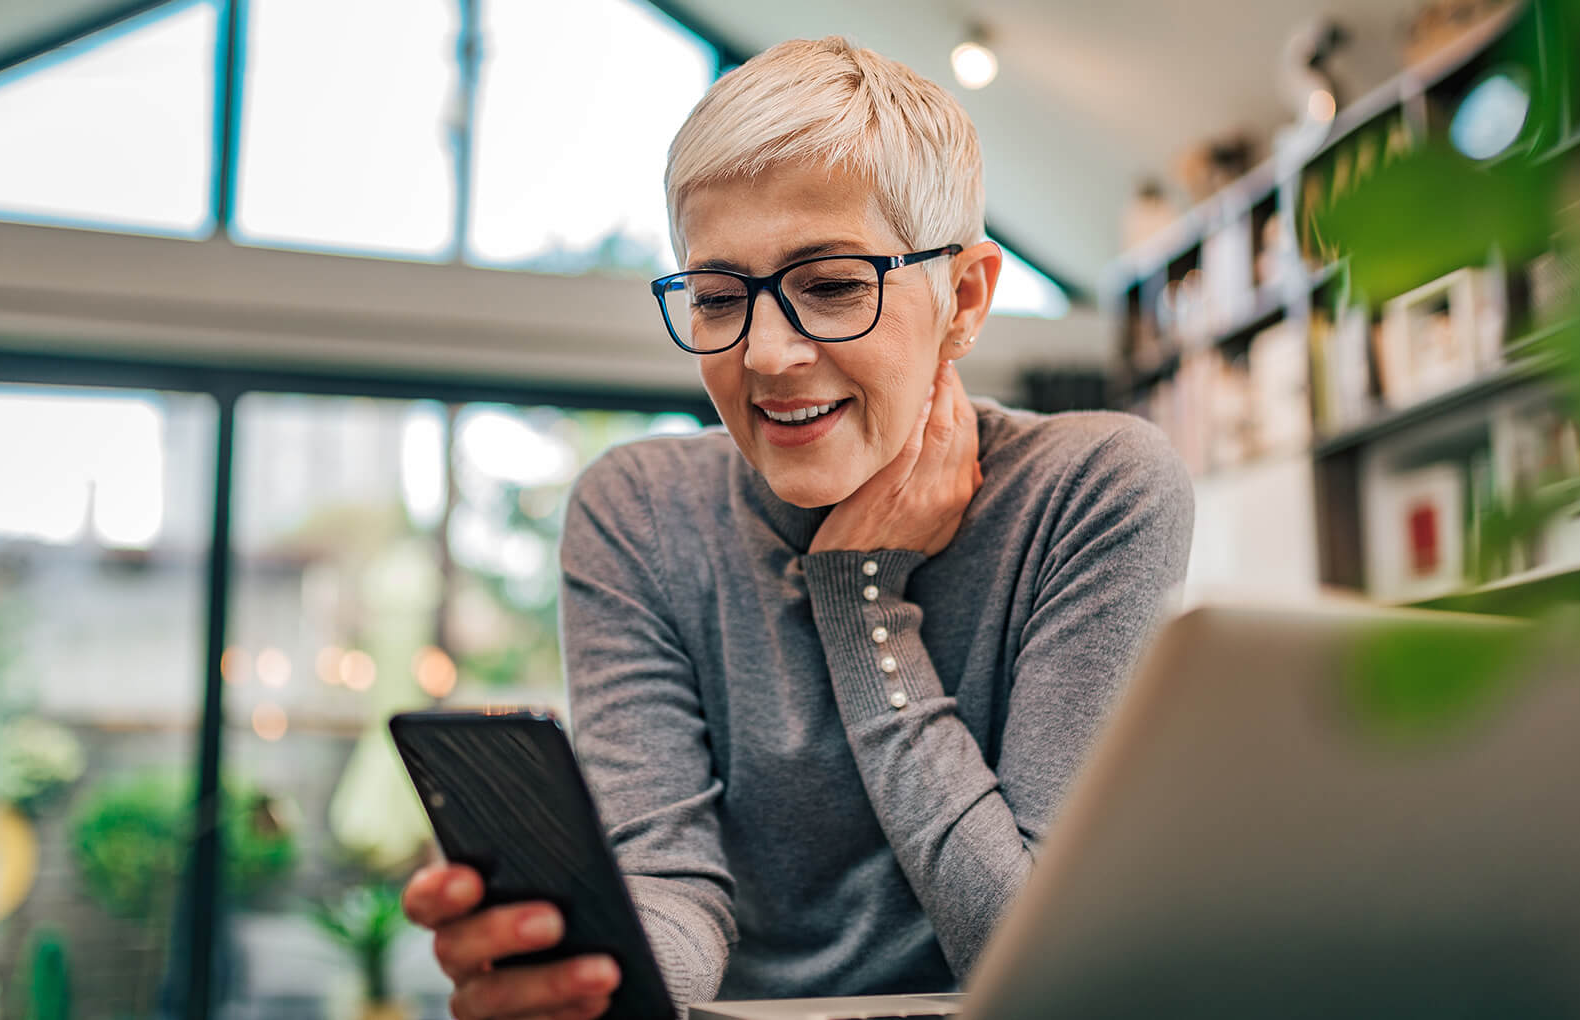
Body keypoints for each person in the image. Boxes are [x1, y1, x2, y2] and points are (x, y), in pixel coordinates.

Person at [402, 36, 1194, 1020]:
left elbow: (1032, 956)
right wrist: (592, 978)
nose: (768, 355)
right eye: (719, 297)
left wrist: (858, 597)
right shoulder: (639, 512)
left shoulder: (1093, 490)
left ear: (967, 298)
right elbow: (672, 884)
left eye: (831, 285)